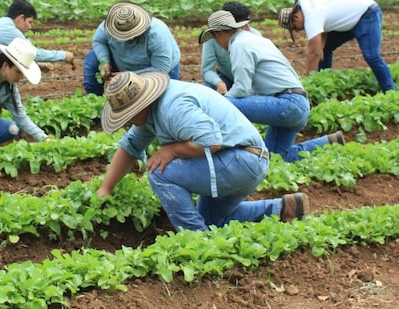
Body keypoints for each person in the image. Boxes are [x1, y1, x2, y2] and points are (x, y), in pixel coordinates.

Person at [95, 70, 309, 232]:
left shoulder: (173, 107)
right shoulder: (151, 114)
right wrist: (105, 189)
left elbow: (211, 141)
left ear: (139, 106)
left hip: (240, 159)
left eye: (126, 116)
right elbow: (130, 147)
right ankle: (282, 209)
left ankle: (196, 239)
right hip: (244, 160)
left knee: (159, 172)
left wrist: (171, 151)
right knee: (211, 220)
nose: (126, 122)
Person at [199, 10, 343, 162]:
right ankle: (328, 142)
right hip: (298, 104)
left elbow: (242, 89)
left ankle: (222, 152)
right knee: (274, 157)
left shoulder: (239, 45)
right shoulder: (255, 39)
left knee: (218, 104)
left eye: (214, 37)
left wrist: (221, 99)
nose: (216, 42)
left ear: (220, 33)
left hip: (286, 104)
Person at [278, 0, 395, 92]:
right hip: (351, 16)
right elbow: (320, 41)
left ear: (296, 17)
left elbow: (313, 53)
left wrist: (308, 83)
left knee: (371, 55)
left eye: (295, 28)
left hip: (366, 13)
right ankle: (325, 84)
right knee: (325, 48)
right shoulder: (304, 2)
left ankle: (390, 92)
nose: (298, 31)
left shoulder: (311, 16)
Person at [82, 1, 181, 95]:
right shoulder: (112, 24)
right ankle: (95, 98)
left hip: (156, 69)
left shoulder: (157, 35)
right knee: (93, 58)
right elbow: (99, 41)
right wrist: (105, 61)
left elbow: (161, 69)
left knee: (158, 101)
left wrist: (127, 77)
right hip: (121, 62)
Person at [200, 1, 262, 94]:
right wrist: (219, 83)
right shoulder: (213, 37)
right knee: (207, 89)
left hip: (251, 81)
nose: (248, 28)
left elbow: (254, 76)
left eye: (248, 23)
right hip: (227, 78)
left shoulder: (255, 36)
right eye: (243, 25)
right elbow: (207, 70)